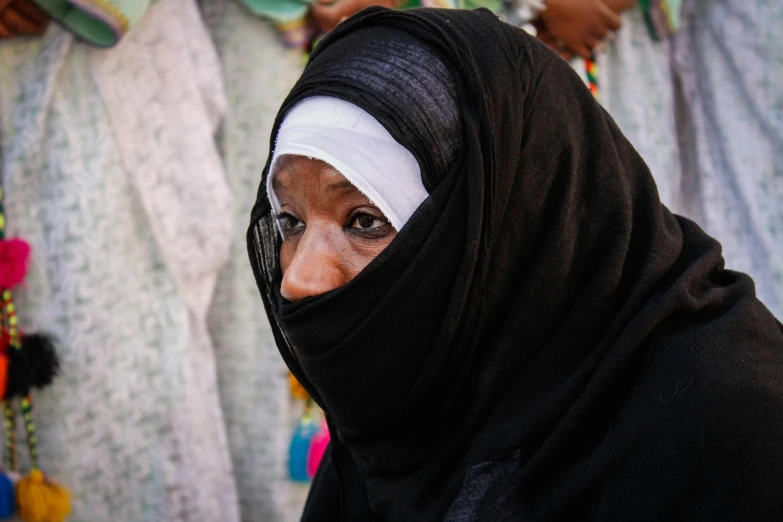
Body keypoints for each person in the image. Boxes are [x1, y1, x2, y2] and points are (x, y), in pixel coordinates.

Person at [248, 7, 783, 521]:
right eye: (290, 221)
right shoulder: (408, 399)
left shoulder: (728, 422)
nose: (298, 280)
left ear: (512, 215)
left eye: (365, 220)